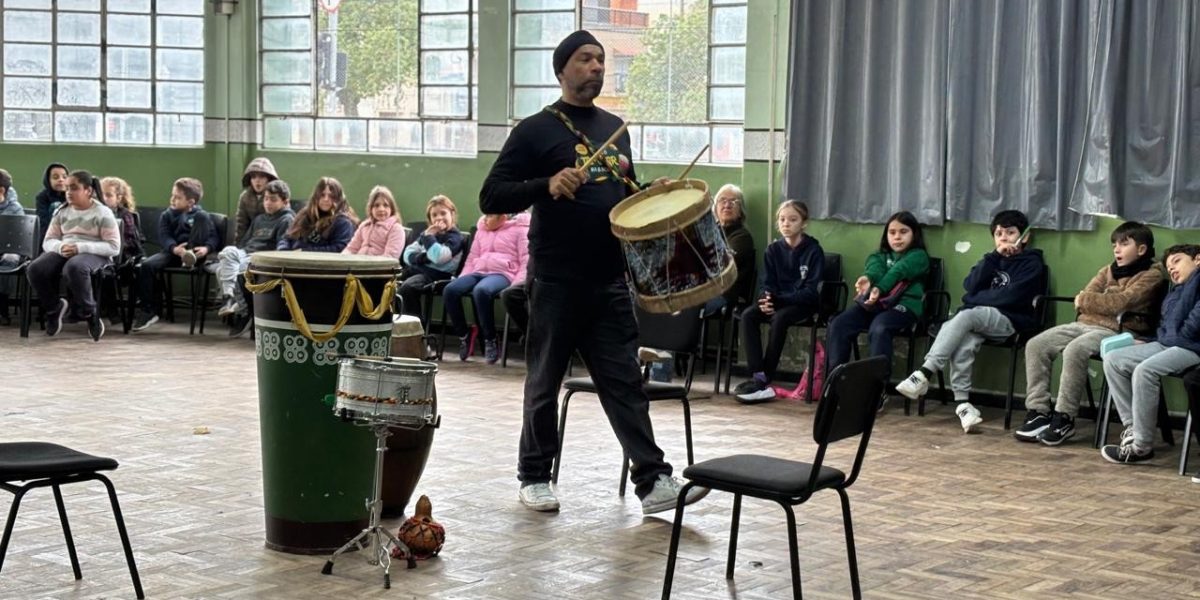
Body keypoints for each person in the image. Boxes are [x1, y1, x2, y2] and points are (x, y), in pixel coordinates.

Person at [479, 29, 708, 515]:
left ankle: (653, 481)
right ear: (562, 69)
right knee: (544, 380)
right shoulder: (535, 130)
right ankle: (535, 476)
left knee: (625, 381)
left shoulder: (614, 127)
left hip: (609, 279)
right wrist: (547, 183)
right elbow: (491, 196)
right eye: (586, 59)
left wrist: (655, 194)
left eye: (601, 60)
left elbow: (625, 198)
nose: (597, 67)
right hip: (557, 279)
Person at [894, 210, 1047, 432]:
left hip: (1009, 321)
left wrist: (976, 299)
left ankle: (925, 372)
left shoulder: (1031, 264)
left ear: (1025, 237)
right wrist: (994, 258)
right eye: (998, 233)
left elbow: (1009, 298)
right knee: (965, 341)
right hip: (979, 321)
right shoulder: (991, 260)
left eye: (1010, 232)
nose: (1003, 237)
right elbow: (970, 286)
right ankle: (964, 406)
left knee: (965, 315)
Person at [1013, 222, 1164, 445]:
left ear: (1141, 249)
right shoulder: (1107, 269)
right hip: (1084, 324)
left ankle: (1064, 417)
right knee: (1036, 344)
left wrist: (1089, 300)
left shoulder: (1152, 275)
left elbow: (1119, 302)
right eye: (1114, 244)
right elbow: (1090, 295)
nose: (1117, 250)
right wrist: (1097, 300)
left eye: (1124, 244)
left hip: (1120, 331)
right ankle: (1038, 412)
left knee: (1076, 350)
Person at [1100, 244, 1200, 465]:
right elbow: (1166, 329)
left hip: (1192, 348)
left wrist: (1176, 337)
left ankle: (1142, 447)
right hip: (1168, 343)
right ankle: (1133, 428)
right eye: (1168, 266)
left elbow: (1194, 323)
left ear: (1198, 259)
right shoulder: (1176, 291)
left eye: (1177, 261)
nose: (1172, 269)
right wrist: (1146, 342)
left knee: (1145, 371)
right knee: (1114, 359)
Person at [825, 211, 930, 393]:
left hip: (904, 307)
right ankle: (835, 386)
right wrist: (868, 279)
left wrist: (879, 288)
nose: (897, 237)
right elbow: (874, 269)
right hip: (876, 305)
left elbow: (898, 271)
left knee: (879, 327)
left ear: (914, 234)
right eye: (892, 232)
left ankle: (876, 391)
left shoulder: (919, 256)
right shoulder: (879, 256)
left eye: (903, 232)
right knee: (839, 324)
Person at [733, 200, 824, 404]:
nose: (786, 224)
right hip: (777, 300)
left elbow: (811, 291)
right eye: (782, 219)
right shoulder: (772, 250)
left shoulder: (813, 251)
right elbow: (767, 282)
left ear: (804, 223)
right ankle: (758, 375)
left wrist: (779, 300)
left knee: (780, 318)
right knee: (748, 315)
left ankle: (766, 376)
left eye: (793, 219)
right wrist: (765, 298)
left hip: (801, 304)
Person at [25, 170, 119, 341]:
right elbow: (48, 241)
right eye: (67, 188)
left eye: (74, 188)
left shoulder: (103, 212)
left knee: (74, 267)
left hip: (95, 253)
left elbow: (113, 247)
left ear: (88, 191)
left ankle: (90, 313)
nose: (68, 192)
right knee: (35, 269)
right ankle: (54, 308)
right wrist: (61, 247)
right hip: (66, 248)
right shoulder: (62, 211)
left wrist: (80, 247)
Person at [133, 177, 218, 332]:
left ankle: (189, 259)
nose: (172, 199)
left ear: (191, 202)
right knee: (147, 265)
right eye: (172, 195)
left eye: (178, 197)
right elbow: (164, 236)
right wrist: (175, 249)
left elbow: (213, 237)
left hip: (196, 255)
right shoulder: (167, 215)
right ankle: (148, 311)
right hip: (173, 252)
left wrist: (206, 249)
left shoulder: (201, 215)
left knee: (202, 217)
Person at [445, 212, 530, 364]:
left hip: (503, 273)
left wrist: (517, 284)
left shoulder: (520, 229)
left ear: (502, 216)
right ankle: (465, 335)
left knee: (481, 291)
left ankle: (490, 339)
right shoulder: (482, 230)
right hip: (478, 271)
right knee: (450, 290)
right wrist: (463, 278)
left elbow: (525, 260)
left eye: (490, 216)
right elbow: (471, 259)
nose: (485, 219)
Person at [214, 179, 295, 336]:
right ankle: (229, 298)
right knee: (227, 253)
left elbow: (281, 248)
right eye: (266, 199)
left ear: (285, 201)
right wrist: (236, 256)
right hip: (246, 252)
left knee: (229, 271)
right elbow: (245, 243)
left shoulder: (287, 219)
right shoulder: (259, 219)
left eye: (273, 199)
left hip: (263, 256)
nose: (268, 203)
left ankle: (243, 311)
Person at [397, 195, 464, 322]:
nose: (439, 217)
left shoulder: (455, 238)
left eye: (443, 213)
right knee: (389, 285)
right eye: (434, 215)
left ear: (452, 214)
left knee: (407, 289)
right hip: (417, 271)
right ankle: (395, 325)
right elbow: (407, 254)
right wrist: (424, 257)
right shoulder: (429, 234)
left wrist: (428, 238)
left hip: (437, 276)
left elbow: (439, 257)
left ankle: (414, 329)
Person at [706, 183, 757, 317]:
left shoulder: (742, 236)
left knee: (688, 307)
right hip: (705, 291)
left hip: (727, 294)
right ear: (715, 207)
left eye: (733, 201)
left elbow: (722, 264)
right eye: (722, 200)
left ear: (740, 211)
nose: (727, 205)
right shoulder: (709, 233)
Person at [277, 177, 357, 252]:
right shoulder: (305, 214)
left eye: (331, 196)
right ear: (316, 196)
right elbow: (287, 237)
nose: (326, 199)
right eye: (322, 195)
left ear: (338, 198)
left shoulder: (343, 222)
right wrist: (283, 250)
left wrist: (305, 252)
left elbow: (340, 248)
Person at [343, 186, 405, 258]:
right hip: (357, 265)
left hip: (378, 267)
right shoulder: (364, 226)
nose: (381, 209)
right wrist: (342, 260)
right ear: (370, 208)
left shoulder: (395, 229)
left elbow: (390, 257)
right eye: (376, 205)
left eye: (386, 205)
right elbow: (351, 249)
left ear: (392, 208)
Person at [100, 177, 144, 268]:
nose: (104, 198)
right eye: (101, 194)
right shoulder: (96, 212)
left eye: (109, 195)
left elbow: (128, 241)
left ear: (118, 198)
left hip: (122, 255)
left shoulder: (125, 215)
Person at [234, 157, 280, 243]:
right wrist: (239, 247)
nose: (257, 181)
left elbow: (282, 221)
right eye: (253, 177)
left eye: (262, 177)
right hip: (251, 241)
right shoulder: (245, 197)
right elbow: (241, 224)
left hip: (271, 239)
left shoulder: (278, 195)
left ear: (269, 179)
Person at [0, 169, 23, 324]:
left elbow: (14, 240)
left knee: (10, 258)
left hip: (8, 249)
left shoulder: (14, 209)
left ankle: (2, 306)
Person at [35, 162, 68, 241]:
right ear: (48, 180)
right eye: (55, 177)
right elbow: (43, 222)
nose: (61, 180)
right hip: (48, 235)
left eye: (64, 177)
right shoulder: (42, 197)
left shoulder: (71, 195)